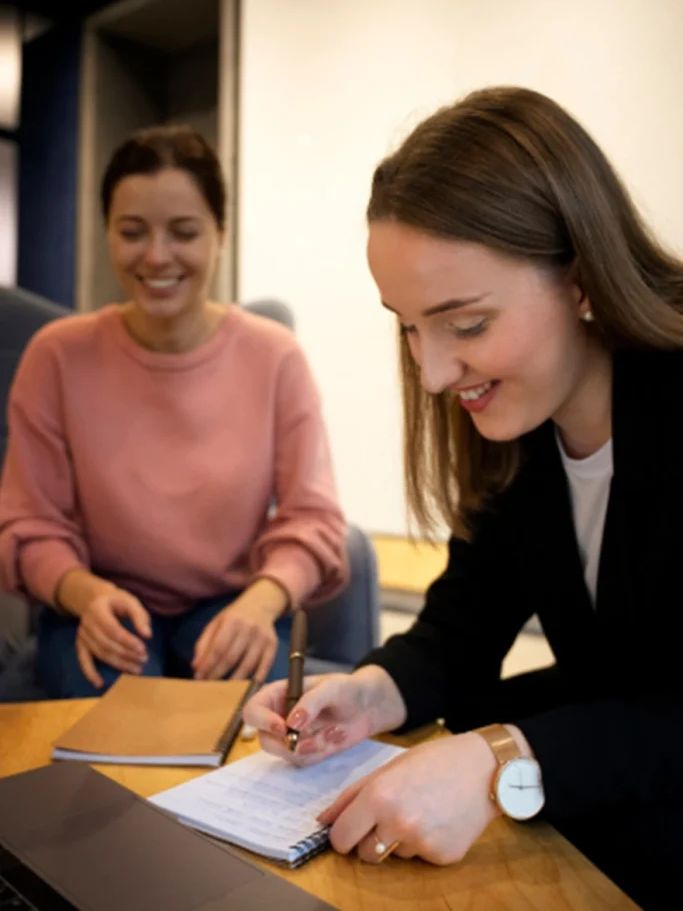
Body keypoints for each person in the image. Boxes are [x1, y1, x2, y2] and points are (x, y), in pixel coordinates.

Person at [244, 86, 683, 909]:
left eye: (467, 324)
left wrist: (503, 765)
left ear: (580, 277)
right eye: (407, 326)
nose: (434, 373)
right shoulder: (522, 429)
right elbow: (461, 626)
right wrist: (369, 694)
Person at [0, 125, 348, 699]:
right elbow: (28, 523)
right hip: (100, 600)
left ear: (221, 234)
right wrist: (84, 594)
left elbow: (314, 518)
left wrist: (262, 602)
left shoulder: (275, 357)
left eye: (183, 232)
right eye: (132, 232)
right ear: (107, 233)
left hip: (233, 600)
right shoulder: (56, 356)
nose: (157, 256)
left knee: (253, 724)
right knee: (120, 731)